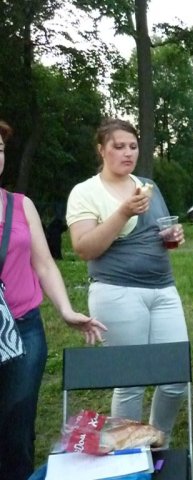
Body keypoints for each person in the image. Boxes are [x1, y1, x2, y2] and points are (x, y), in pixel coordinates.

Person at [66, 118, 189, 443]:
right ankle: (127, 451)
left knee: (175, 377)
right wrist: (123, 212)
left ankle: (157, 440)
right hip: (117, 292)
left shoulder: (148, 185)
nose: (127, 152)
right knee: (131, 379)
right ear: (101, 150)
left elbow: (160, 229)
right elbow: (84, 248)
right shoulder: (85, 192)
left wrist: (172, 235)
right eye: (118, 146)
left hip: (163, 289)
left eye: (132, 146)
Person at [0, 120, 106, 480]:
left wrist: (65, 309)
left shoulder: (20, 206)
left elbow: (44, 264)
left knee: (16, 429)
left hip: (23, 330)